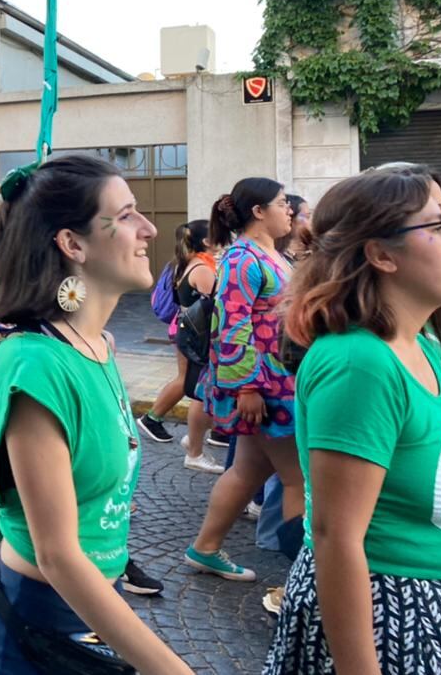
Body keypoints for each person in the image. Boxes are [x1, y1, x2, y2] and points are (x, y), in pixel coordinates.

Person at [0, 154, 189, 675]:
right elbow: (57, 555)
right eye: (127, 214)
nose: (149, 228)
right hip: (27, 639)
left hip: (83, 622)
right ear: (73, 244)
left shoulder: (98, 346)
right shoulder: (35, 366)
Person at [265, 168, 441, 674]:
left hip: (436, 600)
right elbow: (336, 535)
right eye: (439, 223)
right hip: (390, 614)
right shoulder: (361, 363)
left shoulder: (421, 346)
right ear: (381, 254)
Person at [185, 177, 300, 582]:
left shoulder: (273, 255)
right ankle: (306, 572)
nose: (289, 210)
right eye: (283, 203)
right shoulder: (242, 258)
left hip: (276, 382)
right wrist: (247, 388)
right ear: (258, 211)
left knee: (248, 471)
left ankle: (205, 547)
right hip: (267, 388)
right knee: (298, 479)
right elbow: (231, 326)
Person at [137, 219, 224, 474]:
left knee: (194, 383)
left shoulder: (188, 262)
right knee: (197, 386)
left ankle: (209, 434)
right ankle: (163, 426)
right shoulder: (202, 269)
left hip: (185, 330)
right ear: (207, 241)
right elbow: (218, 304)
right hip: (196, 335)